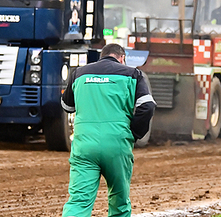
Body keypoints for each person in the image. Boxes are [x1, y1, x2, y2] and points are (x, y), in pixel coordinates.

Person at [61, 43, 155, 217]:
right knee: (119, 202)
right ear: (122, 58)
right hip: (117, 144)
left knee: (79, 201)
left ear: (102, 56)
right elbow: (147, 106)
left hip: (84, 146)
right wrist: (134, 134)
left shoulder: (79, 74)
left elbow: (67, 105)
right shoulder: (133, 74)